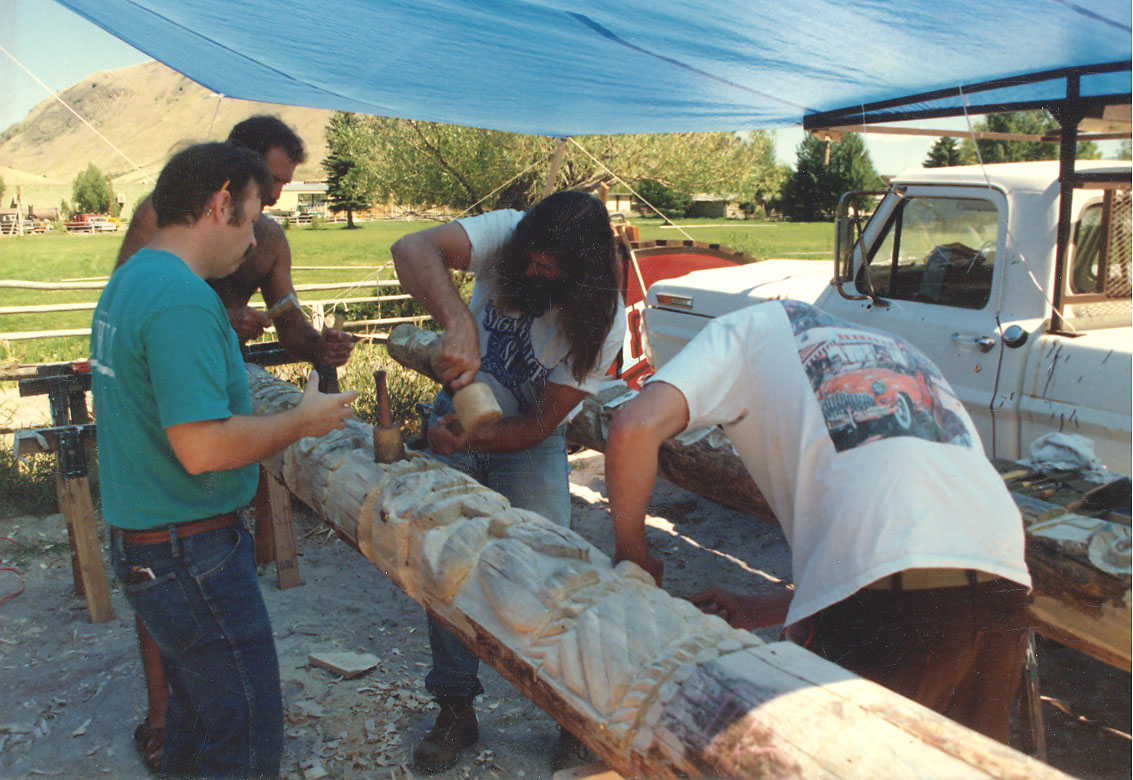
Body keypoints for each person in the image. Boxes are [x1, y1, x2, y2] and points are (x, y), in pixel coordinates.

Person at [604, 299, 1032, 744]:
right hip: (1002, 577)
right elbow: (913, 532)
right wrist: (773, 608)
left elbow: (633, 428)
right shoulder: (893, 347)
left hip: (900, 600)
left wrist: (632, 553)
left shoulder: (742, 332)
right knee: (965, 764)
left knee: (830, 758)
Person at [91, 142, 358, 778]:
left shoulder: (132, 278)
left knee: (195, 722)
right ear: (220, 205)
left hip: (152, 540)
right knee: (243, 742)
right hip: (190, 551)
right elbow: (202, 446)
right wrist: (300, 421)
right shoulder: (182, 299)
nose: (257, 237)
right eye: (254, 213)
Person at [391, 191, 626, 773]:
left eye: (549, 268)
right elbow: (410, 247)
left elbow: (541, 422)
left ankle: (571, 716)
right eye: (530, 257)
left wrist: (470, 438)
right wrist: (457, 322)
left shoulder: (603, 320)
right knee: (442, 560)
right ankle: (455, 709)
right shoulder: (510, 234)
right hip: (458, 411)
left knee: (550, 568)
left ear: (583, 272)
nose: (530, 270)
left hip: (529, 437)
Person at [116, 115, 354, 368]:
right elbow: (128, 303)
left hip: (227, 378)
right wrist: (218, 320)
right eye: (272, 179)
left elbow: (289, 323)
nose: (275, 195)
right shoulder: (162, 214)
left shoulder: (270, 240)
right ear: (240, 162)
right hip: (158, 375)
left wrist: (319, 347)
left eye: (284, 183)